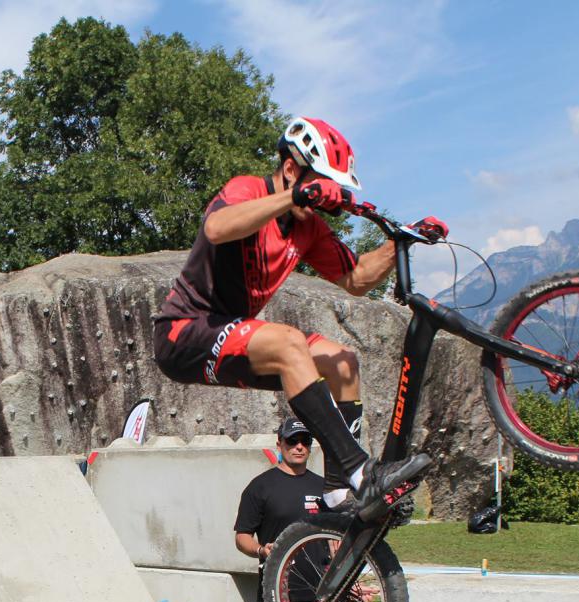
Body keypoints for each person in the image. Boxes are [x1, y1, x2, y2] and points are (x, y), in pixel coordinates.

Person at [153, 116, 447, 522]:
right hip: (183, 333)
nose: (329, 199)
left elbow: (358, 278)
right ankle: (361, 471)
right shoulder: (249, 190)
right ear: (291, 170)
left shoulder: (308, 229)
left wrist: (400, 242)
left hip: (232, 334)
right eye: (322, 185)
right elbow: (217, 228)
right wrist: (294, 197)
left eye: (333, 190)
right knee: (289, 342)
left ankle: (339, 492)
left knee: (342, 361)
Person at [234, 418, 364, 602]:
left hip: (325, 588)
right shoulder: (260, 487)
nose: (299, 446)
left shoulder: (324, 487)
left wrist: (346, 576)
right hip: (279, 590)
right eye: (292, 441)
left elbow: (336, 536)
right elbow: (242, 537)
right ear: (279, 444)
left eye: (305, 441)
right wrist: (261, 550)